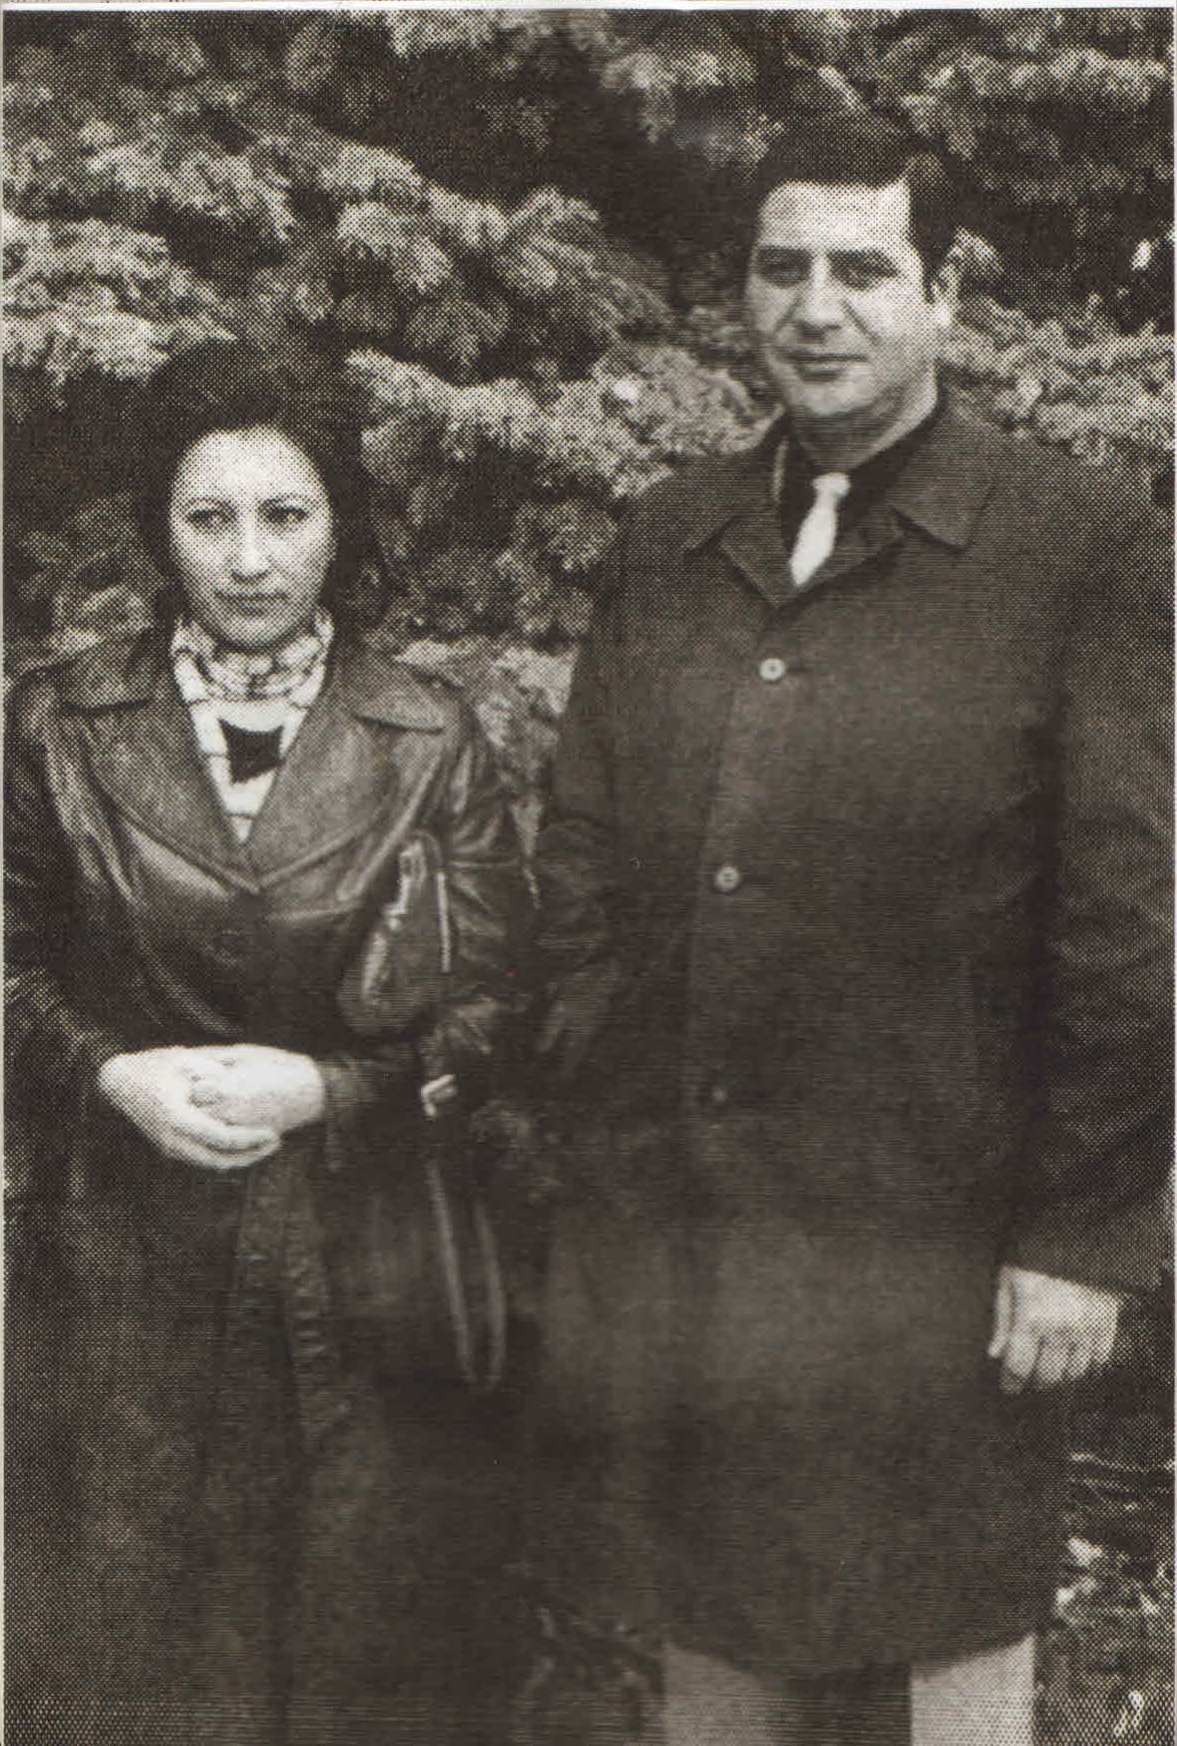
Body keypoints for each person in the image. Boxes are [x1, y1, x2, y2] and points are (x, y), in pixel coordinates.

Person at [530, 115, 1170, 1744]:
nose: (814, 307)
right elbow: (583, 851)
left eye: (862, 269)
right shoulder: (669, 535)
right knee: (711, 1635)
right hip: (692, 1226)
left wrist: (1076, 1236)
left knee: (943, 1638)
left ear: (944, 293)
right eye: (780, 266)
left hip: (936, 1249)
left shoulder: (1076, 545)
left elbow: (1129, 919)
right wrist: (605, 1109)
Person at [6, 339, 528, 1745]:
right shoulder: (57, 720)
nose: (247, 559)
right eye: (209, 517)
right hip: (117, 1265)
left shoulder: (426, 731)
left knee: (349, 1658)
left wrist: (333, 1088)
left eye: (285, 515)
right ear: (160, 527)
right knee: (129, 1655)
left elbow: (501, 1008)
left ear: (338, 523)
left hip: (357, 1264)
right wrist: (106, 1071)